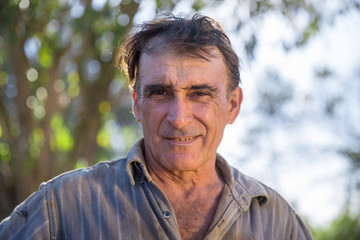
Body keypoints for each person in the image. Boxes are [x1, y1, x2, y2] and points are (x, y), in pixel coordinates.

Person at [0, 14, 313, 239]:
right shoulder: (64, 206)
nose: (179, 118)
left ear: (232, 106)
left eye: (200, 94)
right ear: (137, 103)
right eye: (160, 92)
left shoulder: (277, 222)